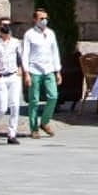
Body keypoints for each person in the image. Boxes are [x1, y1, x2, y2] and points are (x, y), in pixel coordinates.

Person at [21, 7, 62, 139]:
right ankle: (33, 128)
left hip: (49, 69)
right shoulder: (29, 34)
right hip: (34, 70)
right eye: (41, 18)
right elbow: (25, 54)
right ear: (35, 19)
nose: (44, 21)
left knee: (53, 96)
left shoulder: (50, 33)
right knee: (34, 100)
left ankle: (44, 121)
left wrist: (58, 71)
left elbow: (55, 52)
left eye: (46, 18)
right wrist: (26, 73)